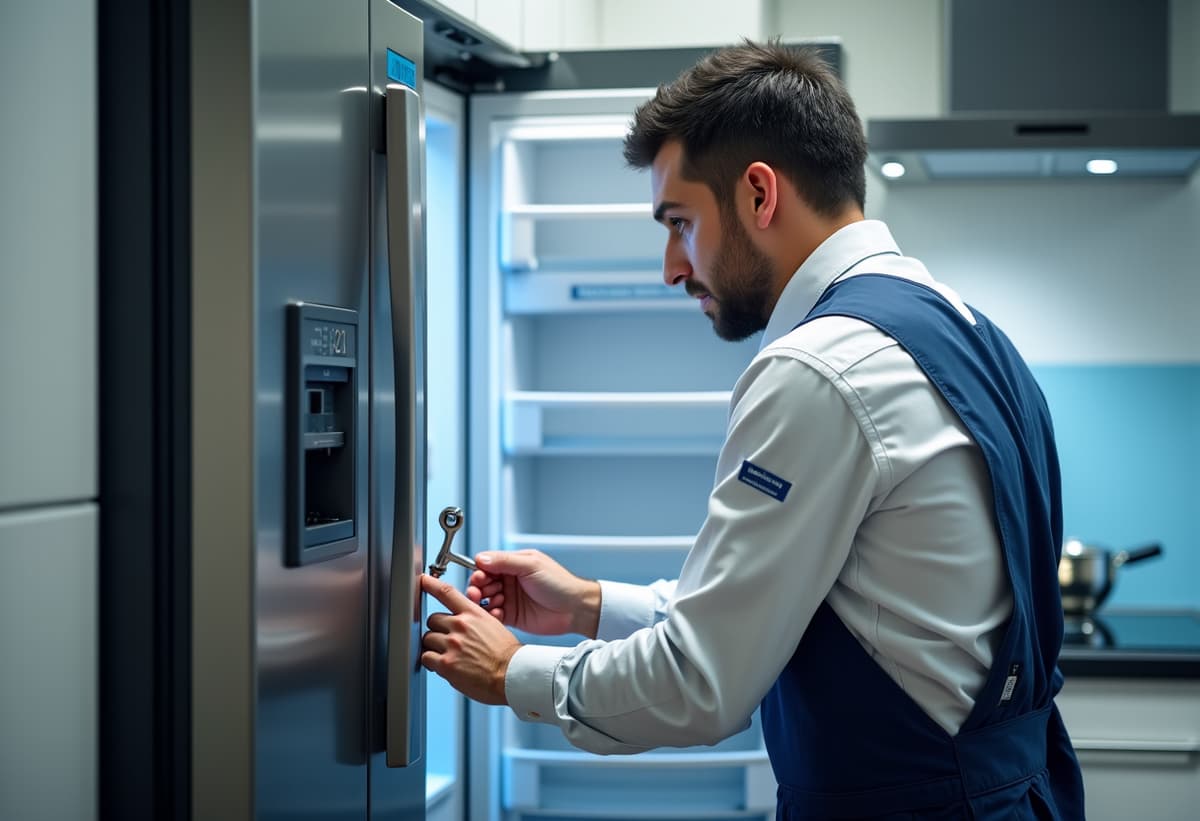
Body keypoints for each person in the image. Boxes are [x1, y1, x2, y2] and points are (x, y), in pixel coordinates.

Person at [419, 39, 1085, 820]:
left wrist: (515, 672)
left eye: (680, 222)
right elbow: (788, 613)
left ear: (759, 194)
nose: (672, 264)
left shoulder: (820, 368)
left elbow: (702, 680)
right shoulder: (967, 330)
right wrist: (589, 602)